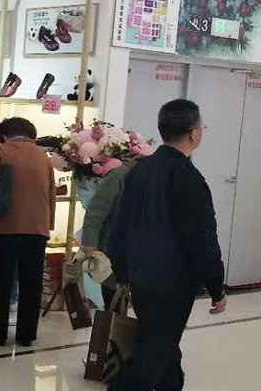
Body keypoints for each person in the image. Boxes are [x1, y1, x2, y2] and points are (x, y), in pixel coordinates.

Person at [107, 99, 226, 391]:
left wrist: (123, 272)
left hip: (141, 278)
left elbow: (119, 225)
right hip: (172, 283)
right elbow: (201, 237)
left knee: (163, 346)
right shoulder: (188, 177)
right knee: (152, 354)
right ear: (194, 134)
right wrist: (216, 286)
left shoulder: (140, 171)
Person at [0, 117, 55, 347]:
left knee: (1, 281)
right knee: (32, 283)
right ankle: (26, 335)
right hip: (37, 227)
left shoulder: (0, 153)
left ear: (4, 134)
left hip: (6, 226)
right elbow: (51, 193)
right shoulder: (43, 156)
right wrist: (47, 224)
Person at [80, 163, 133, 309]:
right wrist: (90, 243)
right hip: (115, 252)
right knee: (114, 302)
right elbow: (96, 212)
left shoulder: (156, 176)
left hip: (142, 254)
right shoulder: (119, 176)